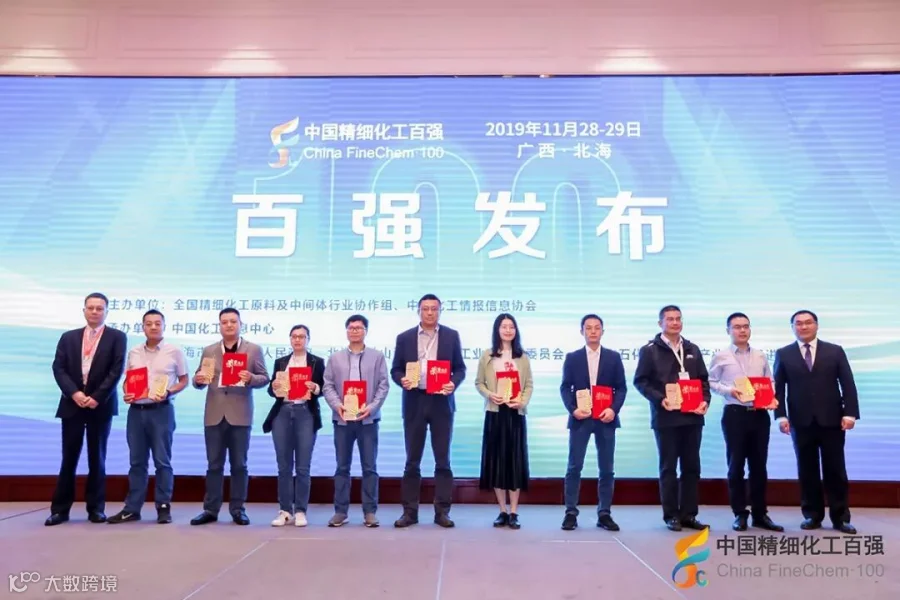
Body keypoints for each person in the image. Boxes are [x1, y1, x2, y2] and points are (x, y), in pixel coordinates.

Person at [774, 310, 859, 534]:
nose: (803, 327)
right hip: (800, 421)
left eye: (808, 322)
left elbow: (848, 383)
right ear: (792, 327)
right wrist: (781, 416)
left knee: (835, 470)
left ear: (817, 325)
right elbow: (778, 389)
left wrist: (850, 413)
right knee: (807, 470)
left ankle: (841, 517)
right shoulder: (784, 354)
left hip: (832, 420)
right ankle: (812, 515)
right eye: (798, 323)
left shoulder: (835, 351)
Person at [46, 293, 127, 526]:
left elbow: (116, 370)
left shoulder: (117, 337)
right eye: (90, 308)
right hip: (72, 404)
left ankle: (96, 509)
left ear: (107, 312)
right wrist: (75, 393)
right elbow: (58, 368)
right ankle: (60, 510)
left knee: (97, 458)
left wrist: (97, 397)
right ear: (84, 311)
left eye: (99, 308)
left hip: (100, 406)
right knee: (68, 458)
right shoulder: (68, 337)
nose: (94, 312)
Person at [391, 294, 466, 528]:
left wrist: (453, 383)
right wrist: (402, 380)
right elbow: (395, 369)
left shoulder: (451, 336)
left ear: (440, 311)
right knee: (412, 460)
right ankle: (409, 512)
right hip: (414, 400)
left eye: (434, 309)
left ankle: (442, 512)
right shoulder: (404, 338)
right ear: (419, 311)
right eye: (426, 309)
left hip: (441, 401)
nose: (430, 313)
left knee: (443, 460)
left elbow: (460, 369)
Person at [633, 305, 710, 532]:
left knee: (692, 467)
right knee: (668, 468)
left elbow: (703, 380)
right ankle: (671, 515)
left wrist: (705, 401)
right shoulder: (649, 350)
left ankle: (689, 514)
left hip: (692, 417)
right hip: (666, 417)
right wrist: (660, 399)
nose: (675, 323)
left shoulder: (692, 349)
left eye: (678, 319)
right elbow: (641, 381)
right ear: (661, 323)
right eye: (670, 319)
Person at [108, 309, 188, 525]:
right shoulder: (134, 351)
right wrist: (127, 392)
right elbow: (128, 380)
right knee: (136, 462)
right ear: (142, 327)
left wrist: (169, 391)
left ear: (164, 326)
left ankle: (163, 506)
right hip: (136, 412)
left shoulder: (174, 351)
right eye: (149, 323)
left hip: (161, 411)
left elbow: (184, 380)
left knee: (162, 461)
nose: (153, 327)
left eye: (157, 323)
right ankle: (132, 508)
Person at [190, 308, 269, 526]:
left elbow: (264, 378)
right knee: (214, 465)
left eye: (233, 321)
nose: (229, 325)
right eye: (224, 322)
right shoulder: (209, 350)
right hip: (214, 414)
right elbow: (198, 379)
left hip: (240, 414)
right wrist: (198, 380)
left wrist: (251, 377)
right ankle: (210, 509)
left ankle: (238, 509)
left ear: (240, 324)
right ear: (219, 325)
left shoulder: (253, 349)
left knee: (239, 465)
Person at [708, 312, 782, 532]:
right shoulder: (721, 356)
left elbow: (770, 380)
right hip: (735, 414)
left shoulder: (760, 355)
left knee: (759, 466)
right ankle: (740, 513)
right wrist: (729, 390)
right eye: (737, 327)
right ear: (728, 330)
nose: (742, 330)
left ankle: (760, 514)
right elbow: (711, 382)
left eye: (746, 326)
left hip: (759, 415)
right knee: (736, 465)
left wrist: (771, 397)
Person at [559, 314, 627, 532]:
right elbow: (565, 387)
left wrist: (613, 409)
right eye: (588, 328)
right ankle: (571, 512)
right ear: (582, 332)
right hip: (581, 418)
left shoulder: (613, 357)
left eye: (597, 328)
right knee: (574, 466)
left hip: (606, 418)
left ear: (603, 332)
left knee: (607, 468)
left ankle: (604, 513)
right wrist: (573, 409)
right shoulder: (573, 358)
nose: (593, 331)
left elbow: (621, 388)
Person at [322, 314, 390, 528]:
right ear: (346, 331)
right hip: (342, 420)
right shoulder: (335, 358)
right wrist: (337, 405)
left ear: (365, 331)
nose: (354, 331)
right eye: (351, 328)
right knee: (342, 467)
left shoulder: (377, 357)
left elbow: (383, 385)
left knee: (369, 467)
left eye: (359, 328)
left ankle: (370, 512)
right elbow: (327, 385)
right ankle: (340, 511)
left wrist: (372, 407)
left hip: (368, 420)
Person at [262, 324, 325, 527]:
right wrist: (274, 386)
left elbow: (324, 388)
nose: (297, 340)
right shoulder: (281, 362)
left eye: (302, 336)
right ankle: (285, 510)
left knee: (303, 466)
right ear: (290, 339)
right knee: (284, 466)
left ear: (308, 339)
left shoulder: (317, 362)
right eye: (294, 336)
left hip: (305, 412)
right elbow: (272, 390)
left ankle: (300, 510)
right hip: (282, 412)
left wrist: (315, 387)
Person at [475, 313, 533, 529]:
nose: (508, 330)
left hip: (515, 414)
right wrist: (490, 394)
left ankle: (514, 511)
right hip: (495, 412)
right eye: (504, 326)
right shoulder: (487, 356)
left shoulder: (522, 357)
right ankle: (502, 511)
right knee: (497, 462)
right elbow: (479, 383)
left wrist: (522, 401)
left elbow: (529, 384)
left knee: (514, 462)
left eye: (511, 327)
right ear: (497, 330)